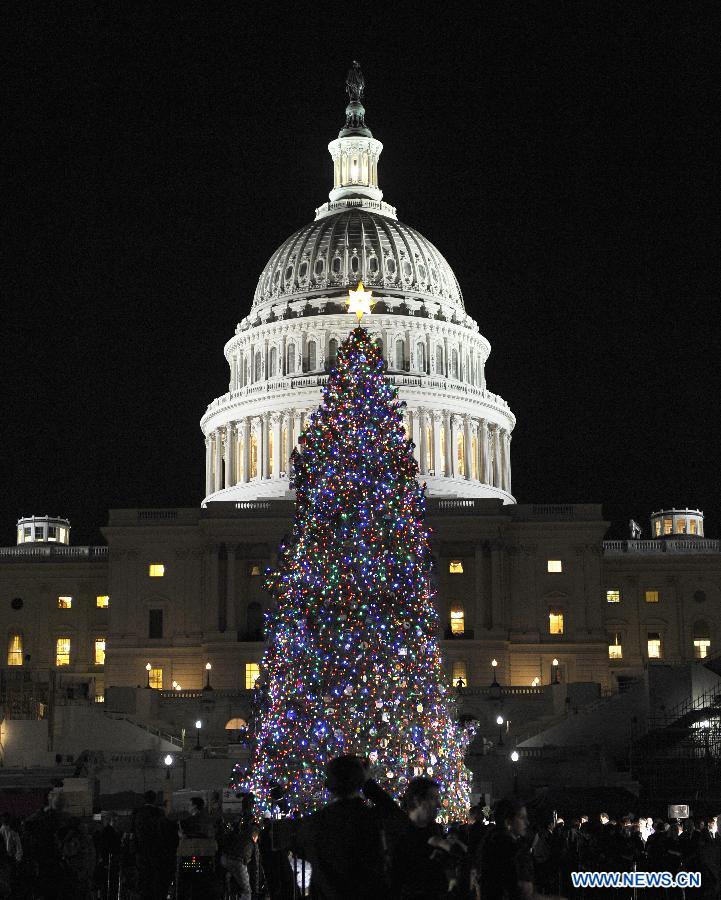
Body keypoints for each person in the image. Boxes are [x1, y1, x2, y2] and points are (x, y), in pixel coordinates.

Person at [291, 754, 388, 899]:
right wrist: (367, 781)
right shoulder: (371, 819)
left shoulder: (315, 822)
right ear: (360, 781)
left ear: (329, 784)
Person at [480, 796, 564, 900]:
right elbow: (525, 894)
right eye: (522, 817)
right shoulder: (517, 851)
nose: (527, 822)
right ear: (508, 822)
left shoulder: (488, 845)